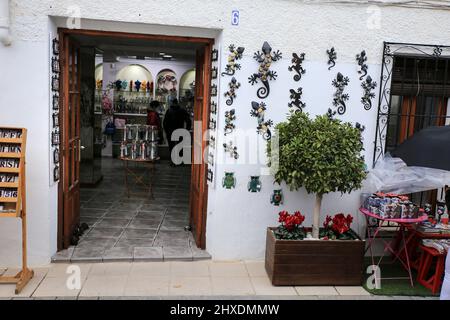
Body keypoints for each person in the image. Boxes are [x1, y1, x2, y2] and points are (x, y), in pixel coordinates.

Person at [163, 99, 192, 165]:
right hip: (180, 130)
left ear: (172, 103)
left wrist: (166, 131)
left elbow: (165, 122)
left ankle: (173, 161)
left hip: (170, 131)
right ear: (177, 103)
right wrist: (187, 129)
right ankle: (180, 160)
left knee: (172, 146)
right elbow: (188, 121)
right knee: (180, 146)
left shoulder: (169, 111)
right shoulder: (182, 110)